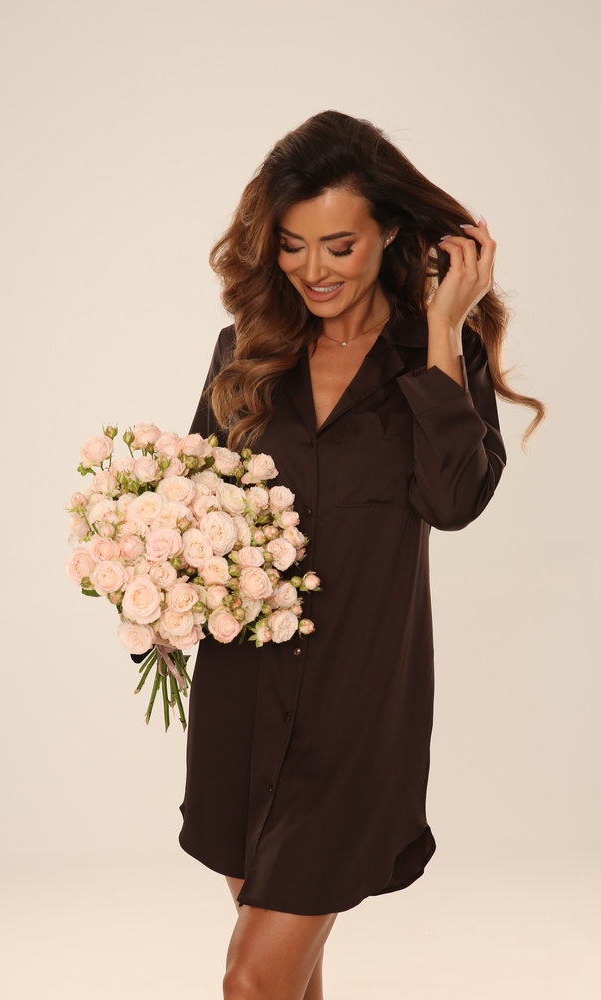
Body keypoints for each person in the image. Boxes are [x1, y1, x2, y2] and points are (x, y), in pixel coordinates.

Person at [177, 110, 546, 1000]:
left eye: (338, 245)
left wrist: (443, 331)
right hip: (241, 697)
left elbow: (454, 502)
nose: (313, 269)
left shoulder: (437, 358)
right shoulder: (246, 354)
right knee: (286, 978)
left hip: (356, 710)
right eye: (292, 245)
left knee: (251, 980)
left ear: (386, 232)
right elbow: (190, 505)